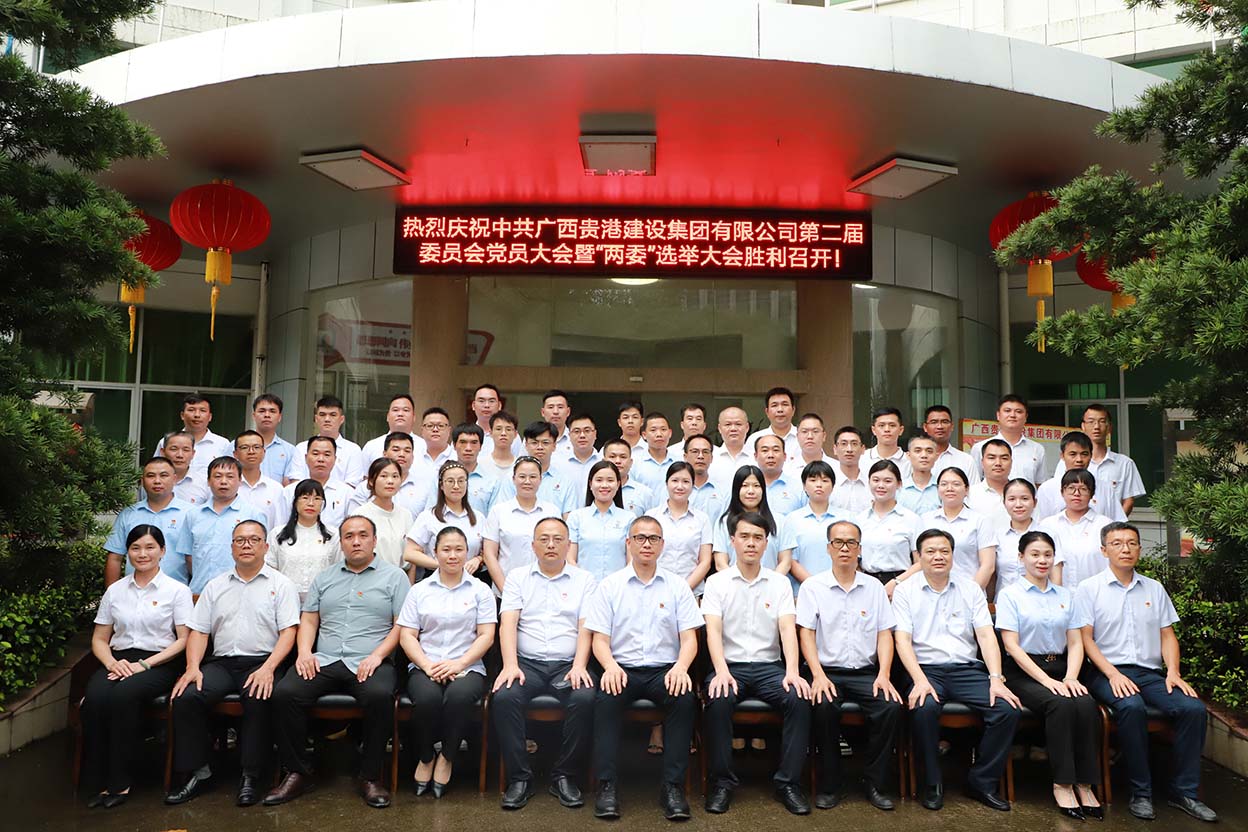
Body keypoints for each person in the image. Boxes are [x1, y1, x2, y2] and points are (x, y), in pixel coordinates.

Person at [1074, 522, 1216, 823]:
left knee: (1192, 709)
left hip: (1150, 673)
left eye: (1131, 543)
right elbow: (1085, 639)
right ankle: (1141, 792)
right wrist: (1112, 674)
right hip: (1105, 672)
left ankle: (1185, 792)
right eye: (1117, 543)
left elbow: (1167, 635)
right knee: (1131, 707)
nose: (1125, 549)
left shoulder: (1154, 588)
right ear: (1104, 550)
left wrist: (1173, 672)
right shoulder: (1089, 589)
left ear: (1139, 549)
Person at [265, 516, 409, 809]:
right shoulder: (325, 577)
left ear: (374, 540)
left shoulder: (395, 577)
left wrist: (378, 655)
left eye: (363, 535)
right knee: (285, 693)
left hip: (370, 660)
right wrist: (304, 652)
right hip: (325, 659)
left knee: (379, 696)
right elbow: (309, 619)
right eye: (349, 536)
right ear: (340, 542)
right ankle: (298, 772)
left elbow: (401, 625)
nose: (356, 541)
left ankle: (370, 776)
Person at [166, 520, 300, 807]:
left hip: (262, 662)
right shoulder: (215, 585)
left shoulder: (281, 584)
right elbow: (199, 631)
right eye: (240, 540)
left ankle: (251, 774)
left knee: (258, 696)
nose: (246, 545)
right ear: (231, 547)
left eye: (253, 540)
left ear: (266, 546)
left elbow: (289, 631)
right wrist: (192, 667)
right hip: (222, 662)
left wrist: (269, 668)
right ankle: (199, 772)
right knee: (187, 696)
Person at [892, 529, 1021, 812]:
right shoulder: (905, 591)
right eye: (930, 551)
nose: (938, 556)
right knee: (923, 707)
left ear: (953, 555)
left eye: (944, 551)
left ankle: (981, 782)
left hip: (966, 669)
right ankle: (931, 783)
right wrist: (919, 680)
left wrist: (996, 679)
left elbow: (986, 635)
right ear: (919, 556)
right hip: (925, 669)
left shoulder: (970, 588)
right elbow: (902, 640)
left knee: (1006, 709)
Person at [586, 515, 703, 821]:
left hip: (665, 670)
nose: (647, 544)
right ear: (629, 543)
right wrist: (610, 666)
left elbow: (689, 639)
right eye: (640, 538)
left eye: (653, 538)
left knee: (683, 698)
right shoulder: (610, 586)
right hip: (621, 668)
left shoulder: (677, 586)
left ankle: (672, 787)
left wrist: (681, 668)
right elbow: (600, 640)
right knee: (605, 699)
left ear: (662, 545)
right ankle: (607, 785)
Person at [702, 512, 812, 816]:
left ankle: (788, 783)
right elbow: (713, 630)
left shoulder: (779, 583)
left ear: (766, 544)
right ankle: (722, 783)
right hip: (730, 666)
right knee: (718, 697)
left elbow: (787, 629)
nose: (751, 543)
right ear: (733, 541)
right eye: (745, 537)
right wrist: (721, 671)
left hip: (769, 668)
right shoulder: (717, 582)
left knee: (798, 697)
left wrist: (793, 672)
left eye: (758, 538)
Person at [994, 530, 1102, 820]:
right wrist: (1048, 682)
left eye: (1047, 555)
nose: (1042, 560)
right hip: (1023, 670)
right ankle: (1063, 783)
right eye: (1035, 554)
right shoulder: (1010, 595)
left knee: (1085, 703)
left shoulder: (1066, 595)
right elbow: (1011, 646)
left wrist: (1071, 677)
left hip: (1062, 667)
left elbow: (1076, 642)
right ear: (1021, 557)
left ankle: (1085, 783)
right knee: (1060, 703)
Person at [82, 525, 192, 808]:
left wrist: (144, 665)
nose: (143, 554)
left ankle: (120, 783)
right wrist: (112, 663)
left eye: (150, 547)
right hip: (119, 659)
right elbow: (99, 638)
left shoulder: (177, 591)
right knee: (95, 697)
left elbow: (183, 640)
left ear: (162, 551)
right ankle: (97, 781)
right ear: (128, 552)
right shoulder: (115, 591)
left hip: (160, 661)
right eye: (135, 548)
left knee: (123, 696)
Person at [797, 520, 902, 812]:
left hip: (866, 673)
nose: (844, 548)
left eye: (851, 543)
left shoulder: (874, 588)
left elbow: (885, 634)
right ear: (828, 548)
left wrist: (884, 675)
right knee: (823, 706)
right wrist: (817, 675)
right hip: (826, 671)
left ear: (859, 549)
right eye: (838, 542)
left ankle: (875, 782)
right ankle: (831, 784)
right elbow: (806, 634)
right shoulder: (813, 587)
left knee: (890, 707)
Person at [494, 517, 598, 810]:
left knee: (585, 697)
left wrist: (579, 665)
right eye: (544, 539)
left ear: (568, 545)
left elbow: (586, 627)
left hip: (568, 664)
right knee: (504, 697)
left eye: (557, 539)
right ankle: (520, 778)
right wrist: (510, 665)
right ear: (533, 545)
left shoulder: (584, 580)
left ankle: (564, 775)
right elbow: (508, 624)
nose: (551, 545)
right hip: (527, 664)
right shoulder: (517, 577)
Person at [399, 526, 497, 798]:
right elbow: (407, 635)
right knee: (427, 699)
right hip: (425, 665)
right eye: (446, 549)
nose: (452, 555)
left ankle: (447, 756)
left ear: (467, 553)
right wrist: (427, 665)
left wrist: (459, 664)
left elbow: (486, 635)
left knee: (458, 697)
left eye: (459, 550)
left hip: (468, 667)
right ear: (435, 553)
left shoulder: (480, 590)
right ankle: (426, 756)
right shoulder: (419, 590)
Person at [179, 457, 267, 597]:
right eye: (218, 476)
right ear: (208, 481)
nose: (223, 481)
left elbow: (260, 555)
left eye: (230, 476)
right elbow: (188, 557)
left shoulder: (254, 514)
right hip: (200, 592)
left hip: (240, 593)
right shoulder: (193, 515)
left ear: (240, 480)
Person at [104, 456, 192, 586]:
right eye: (151, 476)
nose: (157, 481)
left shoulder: (190, 514)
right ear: (142, 481)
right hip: (133, 591)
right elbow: (115, 558)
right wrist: (111, 593)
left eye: (164, 475)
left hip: (174, 592)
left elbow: (196, 559)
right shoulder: (128, 514)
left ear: (174, 479)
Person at [481, 457, 563, 596]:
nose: (527, 481)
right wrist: (507, 592)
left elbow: (560, 550)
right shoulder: (499, 511)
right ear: (513, 479)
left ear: (540, 479)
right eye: (522, 476)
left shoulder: (552, 511)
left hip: (545, 591)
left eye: (533, 477)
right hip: (506, 590)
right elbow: (489, 555)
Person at [909, 467, 996, 591]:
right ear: (938, 489)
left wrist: (971, 594)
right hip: (930, 592)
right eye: (944, 484)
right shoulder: (925, 520)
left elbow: (988, 566)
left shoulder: (980, 521)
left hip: (969, 591)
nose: (949, 488)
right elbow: (920, 562)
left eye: (956, 484)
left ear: (966, 489)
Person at [406, 461, 484, 579]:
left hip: (473, 578)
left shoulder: (479, 517)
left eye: (461, 481)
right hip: (437, 578)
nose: (456, 486)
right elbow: (410, 553)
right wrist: (442, 565)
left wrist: (478, 559)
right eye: (450, 481)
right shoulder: (428, 517)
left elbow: (489, 551)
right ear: (441, 485)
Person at [266, 479, 341, 602]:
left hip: (322, 600)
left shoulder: (333, 535)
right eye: (305, 498)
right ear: (295, 502)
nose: (311, 503)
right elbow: (270, 570)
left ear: (323, 504)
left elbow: (337, 570)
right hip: (284, 600)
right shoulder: (277, 534)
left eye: (317, 499)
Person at [645, 462, 714, 595]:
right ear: (666, 483)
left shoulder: (702, 519)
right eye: (675, 481)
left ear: (693, 485)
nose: (680, 486)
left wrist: (684, 589)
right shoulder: (652, 516)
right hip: (655, 590)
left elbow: (705, 562)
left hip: (691, 593)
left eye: (686, 481)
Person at [1067, 404, 1146, 517]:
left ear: (1109, 427)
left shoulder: (1125, 463)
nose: (1096, 426)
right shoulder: (1070, 462)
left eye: (1102, 421)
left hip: (1112, 525)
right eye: (1091, 421)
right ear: (1083, 426)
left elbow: (1128, 501)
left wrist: (1115, 525)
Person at [1041, 469, 1112, 589]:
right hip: (1057, 594)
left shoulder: (1105, 525)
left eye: (1083, 489)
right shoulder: (1048, 525)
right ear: (1062, 492)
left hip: (1096, 593)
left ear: (1092, 493)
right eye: (1071, 488)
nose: (1076, 493)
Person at [1038, 431, 1127, 521]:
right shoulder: (1047, 488)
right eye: (1073, 454)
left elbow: (1118, 522)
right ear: (1062, 456)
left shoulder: (1105, 488)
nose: (1079, 459)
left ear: (1091, 455)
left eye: (1084, 454)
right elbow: (1040, 524)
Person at [857, 460, 920, 585]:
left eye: (888, 481)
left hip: (902, 583)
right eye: (876, 480)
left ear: (899, 484)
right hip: (867, 583)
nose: (881, 485)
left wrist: (897, 582)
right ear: (869, 482)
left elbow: (920, 562)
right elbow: (854, 560)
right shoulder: (860, 519)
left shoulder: (911, 519)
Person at [567, 460, 632, 581]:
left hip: (618, 586)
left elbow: (631, 560)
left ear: (618, 484)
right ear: (590, 484)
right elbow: (570, 558)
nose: (604, 485)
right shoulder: (576, 517)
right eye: (599, 480)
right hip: (583, 585)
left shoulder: (629, 518)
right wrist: (583, 582)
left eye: (610, 480)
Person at [779, 461, 839, 592]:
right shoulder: (792, 519)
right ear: (804, 486)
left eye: (825, 480)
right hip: (803, 591)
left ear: (833, 486)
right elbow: (791, 560)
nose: (819, 485)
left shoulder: (846, 518)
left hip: (839, 589)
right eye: (813, 480)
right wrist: (815, 586)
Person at [714, 464, 785, 573]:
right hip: (732, 582)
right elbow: (720, 563)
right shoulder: (723, 522)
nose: (751, 491)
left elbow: (785, 561)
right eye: (745, 485)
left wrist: (771, 581)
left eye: (756, 486)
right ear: (736, 489)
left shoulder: (779, 521)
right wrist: (738, 581)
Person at [350, 458, 414, 574]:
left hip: (400, 578)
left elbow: (411, 557)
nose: (390, 481)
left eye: (395, 476)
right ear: (371, 481)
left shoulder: (406, 515)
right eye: (384, 476)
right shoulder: (360, 515)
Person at [348, 431, 434, 517]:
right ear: (384, 454)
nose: (402, 454)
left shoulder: (426, 487)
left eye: (407, 451)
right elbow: (354, 520)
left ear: (413, 457)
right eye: (396, 450)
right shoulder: (365, 488)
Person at [286, 396, 366, 487]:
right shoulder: (302, 448)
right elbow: (296, 482)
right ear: (316, 419)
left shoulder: (353, 450)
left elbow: (352, 485)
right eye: (322, 415)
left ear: (341, 419)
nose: (327, 419)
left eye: (333, 415)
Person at [494, 421, 576, 508]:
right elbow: (503, 511)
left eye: (545, 443)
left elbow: (568, 514)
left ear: (554, 446)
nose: (540, 447)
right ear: (526, 445)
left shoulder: (564, 481)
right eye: (534, 443)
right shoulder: (512, 478)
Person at [970, 395, 1046, 485]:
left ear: (1026, 417)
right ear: (998, 415)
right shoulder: (980, 447)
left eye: (1018, 411)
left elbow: (1040, 484)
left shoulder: (1037, 449)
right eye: (1007, 411)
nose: (1012, 415)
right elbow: (974, 482)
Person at [282, 436, 352, 530]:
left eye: (327, 455)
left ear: (335, 459)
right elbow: (282, 526)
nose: (321, 459)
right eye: (315, 454)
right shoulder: (290, 491)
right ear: (306, 458)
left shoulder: (346, 493)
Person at [156, 394, 232, 478]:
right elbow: (155, 470)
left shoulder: (222, 444)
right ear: (182, 415)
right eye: (191, 410)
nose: (197, 415)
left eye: (202, 410)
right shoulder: (166, 442)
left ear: (210, 417)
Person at [993, 478, 1039, 597]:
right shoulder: (997, 536)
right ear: (1004, 503)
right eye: (1012, 499)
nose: (1018, 505)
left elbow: (1055, 574)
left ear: (1034, 502)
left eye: (1025, 499)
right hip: (1004, 602)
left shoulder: (1047, 534)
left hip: (1039, 601)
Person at [234, 429, 285, 533]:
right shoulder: (229, 487)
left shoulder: (275, 488)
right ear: (235, 454)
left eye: (256, 447)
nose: (251, 452)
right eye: (244, 447)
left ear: (264, 452)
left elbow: (279, 527)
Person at [552, 414, 603, 507]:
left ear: (595, 434)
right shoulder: (557, 463)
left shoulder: (603, 462)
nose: (582, 435)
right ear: (569, 435)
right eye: (576, 431)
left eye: (587, 431)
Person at [360, 393, 424, 463]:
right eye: (395, 410)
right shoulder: (371, 447)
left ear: (414, 417)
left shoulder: (424, 446)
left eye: (405, 410)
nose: (400, 414)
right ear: (387, 416)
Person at [965, 437, 1012, 531]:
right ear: (982, 462)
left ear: (1011, 462)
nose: (998, 463)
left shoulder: (1022, 494)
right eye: (991, 458)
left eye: (1004, 458)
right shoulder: (969, 495)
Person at [746, 387, 800, 464]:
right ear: (767, 412)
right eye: (774, 405)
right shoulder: (754, 439)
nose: (780, 410)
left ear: (793, 410)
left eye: (785, 404)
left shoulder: (805, 437)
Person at [922, 405, 977, 482]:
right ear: (925, 427)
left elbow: (973, 488)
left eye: (944, 422)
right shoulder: (913, 459)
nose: (939, 426)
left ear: (952, 426)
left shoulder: (966, 460)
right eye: (934, 422)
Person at [602, 437, 654, 517]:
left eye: (623, 457)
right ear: (603, 461)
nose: (618, 461)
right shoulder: (594, 490)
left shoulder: (644, 493)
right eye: (612, 457)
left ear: (631, 462)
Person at [252, 393, 297, 484]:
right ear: (254, 416)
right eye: (262, 411)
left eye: (272, 411)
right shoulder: (236, 446)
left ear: (279, 417)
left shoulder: (290, 451)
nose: (267, 415)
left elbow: (288, 485)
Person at [754, 433, 804, 515]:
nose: (770, 455)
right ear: (755, 456)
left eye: (776, 450)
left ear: (784, 456)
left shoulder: (799, 488)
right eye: (765, 450)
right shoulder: (746, 489)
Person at [708, 406, 753, 490]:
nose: (733, 429)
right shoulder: (710, 458)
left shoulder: (757, 458)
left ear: (747, 427)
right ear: (719, 428)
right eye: (728, 424)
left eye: (738, 424)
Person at [630, 412, 676, 494]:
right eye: (653, 430)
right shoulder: (634, 463)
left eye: (663, 429)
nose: (659, 434)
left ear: (670, 433)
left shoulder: (680, 461)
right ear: (644, 435)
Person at [162, 430, 210, 507]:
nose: (180, 455)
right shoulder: (152, 482)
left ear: (193, 454)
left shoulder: (204, 483)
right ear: (163, 452)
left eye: (186, 450)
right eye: (174, 449)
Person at [682, 433, 725, 519]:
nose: (700, 456)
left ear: (711, 458)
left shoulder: (722, 492)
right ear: (685, 457)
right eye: (695, 451)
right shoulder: (673, 490)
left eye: (705, 452)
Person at [829, 426, 870, 514]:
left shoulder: (872, 483)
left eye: (854, 444)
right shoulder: (827, 484)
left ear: (863, 449)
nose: (849, 449)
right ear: (835, 449)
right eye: (844, 444)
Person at [476, 384, 524, 459]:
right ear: (473, 405)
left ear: (499, 405)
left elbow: (517, 462)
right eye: (481, 401)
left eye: (491, 401)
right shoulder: (465, 434)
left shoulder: (512, 436)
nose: (486, 405)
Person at [863, 407, 912, 479]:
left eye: (892, 425)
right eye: (881, 425)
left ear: (901, 430)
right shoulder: (862, 459)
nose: (887, 429)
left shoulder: (910, 462)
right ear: (873, 430)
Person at [786, 413, 837, 481]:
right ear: (797, 436)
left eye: (815, 431)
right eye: (804, 431)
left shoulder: (837, 468)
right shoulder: (786, 470)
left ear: (824, 436)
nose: (810, 436)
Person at [899, 432, 941, 514]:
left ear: (937, 456)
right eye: (918, 451)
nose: (924, 455)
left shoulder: (943, 489)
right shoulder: (898, 489)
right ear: (908, 455)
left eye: (929, 451)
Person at [540, 390, 574, 461]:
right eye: (550, 407)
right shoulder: (532, 437)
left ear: (568, 412)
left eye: (560, 407)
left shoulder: (576, 438)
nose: (555, 412)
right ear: (543, 412)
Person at [486, 411, 521, 478]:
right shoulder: (480, 464)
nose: (503, 433)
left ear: (515, 434)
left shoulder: (521, 466)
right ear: (490, 433)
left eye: (508, 429)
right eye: (498, 429)